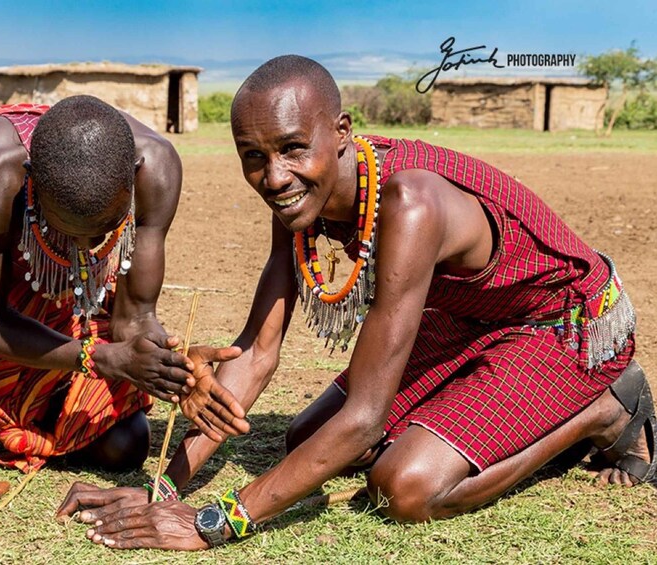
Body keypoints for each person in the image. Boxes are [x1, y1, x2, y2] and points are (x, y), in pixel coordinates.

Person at [55, 56, 655, 550]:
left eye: (293, 148)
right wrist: (166, 488)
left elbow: (365, 415)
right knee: (307, 439)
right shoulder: (298, 205)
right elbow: (257, 352)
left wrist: (216, 522)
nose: (274, 176)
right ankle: (495, 410)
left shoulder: (410, 203)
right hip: (476, 320)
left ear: (341, 133)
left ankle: (602, 412)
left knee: (404, 487)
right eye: (254, 156)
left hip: (566, 325)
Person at [0, 95, 247, 503]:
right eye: (67, 228)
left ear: (133, 178)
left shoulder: (158, 170)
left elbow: (133, 320)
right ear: (31, 180)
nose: (85, 248)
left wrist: (175, 369)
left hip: (39, 280)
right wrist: (100, 358)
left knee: (124, 446)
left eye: (104, 231)